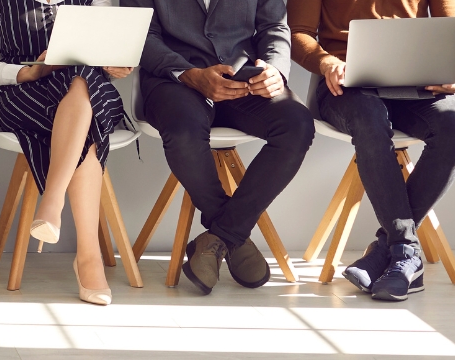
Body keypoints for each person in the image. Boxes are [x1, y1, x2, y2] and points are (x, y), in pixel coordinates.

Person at [121, 0, 314, 295]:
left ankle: (221, 236)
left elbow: (274, 26)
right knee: (183, 129)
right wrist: (189, 74)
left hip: (244, 78)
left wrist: (275, 70)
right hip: (175, 81)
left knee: (297, 124)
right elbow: (141, 35)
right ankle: (232, 234)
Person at [289, 0, 455, 302]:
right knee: (371, 122)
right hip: (345, 87)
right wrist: (326, 63)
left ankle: (387, 249)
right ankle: (404, 253)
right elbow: (298, 34)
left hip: (419, 83)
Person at [0, 0, 129, 305]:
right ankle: (88, 257)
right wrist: (29, 72)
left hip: (91, 85)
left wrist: (113, 63)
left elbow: (111, 45)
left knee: (83, 87)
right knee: (88, 123)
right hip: (26, 91)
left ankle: (52, 201)